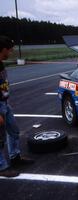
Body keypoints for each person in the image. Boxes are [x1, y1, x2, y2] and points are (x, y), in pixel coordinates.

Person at [0, 35, 34, 178]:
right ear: (3, 49)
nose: (11, 52)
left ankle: (15, 157)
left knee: (13, 131)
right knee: (0, 138)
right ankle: (2, 167)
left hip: (4, 103)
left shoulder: (0, 63)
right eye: (10, 50)